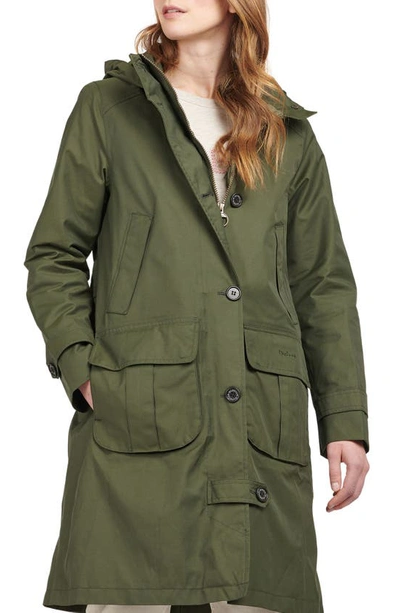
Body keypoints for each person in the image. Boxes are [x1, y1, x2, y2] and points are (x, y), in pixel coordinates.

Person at [24, 1, 370, 612]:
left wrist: (343, 418)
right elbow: (54, 256)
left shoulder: (287, 133)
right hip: (139, 430)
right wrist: (83, 369)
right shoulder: (111, 110)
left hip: (259, 432)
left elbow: (322, 284)